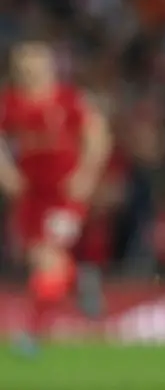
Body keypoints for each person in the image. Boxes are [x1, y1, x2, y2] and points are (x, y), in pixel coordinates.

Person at [0, 41, 112, 355]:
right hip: (31, 194)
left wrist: (86, 175)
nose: (30, 71)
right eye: (24, 65)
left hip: (64, 193)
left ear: (50, 67)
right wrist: (7, 172)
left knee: (48, 259)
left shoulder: (68, 100)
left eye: (36, 64)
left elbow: (97, 134)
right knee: (41, 260)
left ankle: (31, 333)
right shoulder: (10, 103)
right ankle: (81, 279)